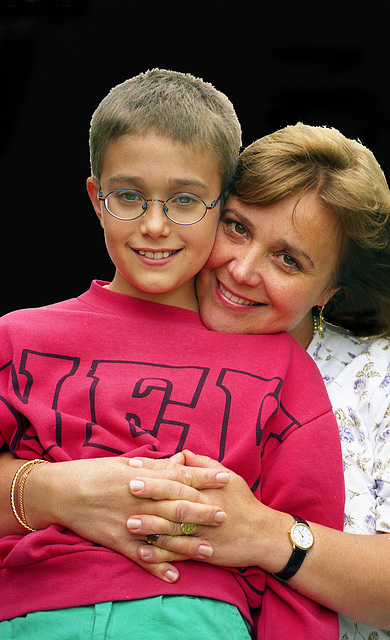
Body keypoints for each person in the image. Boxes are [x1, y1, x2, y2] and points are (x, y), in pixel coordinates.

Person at [0, 74, 344, 640]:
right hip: (27, 612)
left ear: (221, 206)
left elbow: (298, 573)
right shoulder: (19, 338)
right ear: (95, 199)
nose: (155, 225)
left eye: (185, 200)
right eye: (128, 196)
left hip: (196, 621)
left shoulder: (281, 370)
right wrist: (43, 493)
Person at [120, 123, 390, 640]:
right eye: (238, 227)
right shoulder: (122, 324)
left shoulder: (375, 379)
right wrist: (55, 490)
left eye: (288, 259)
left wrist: (267, 536)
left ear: (328, 291)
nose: (242, 270)